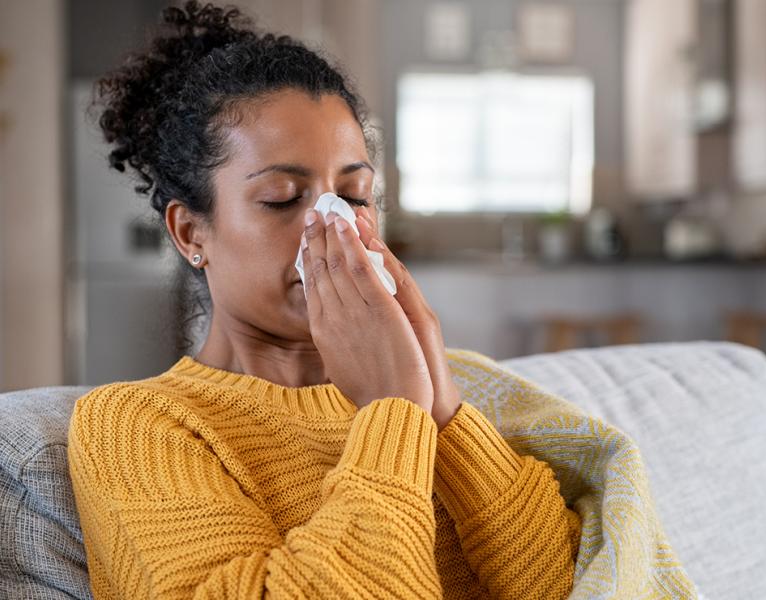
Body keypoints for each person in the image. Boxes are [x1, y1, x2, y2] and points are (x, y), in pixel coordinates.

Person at [67, 2, 581, 598]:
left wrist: (443, 412)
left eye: (356, 196)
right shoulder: (137, 426)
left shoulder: (434, 388)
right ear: (190, 233)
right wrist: (395, 412)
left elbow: (569, 586)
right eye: (283, 198)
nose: (334, 225)